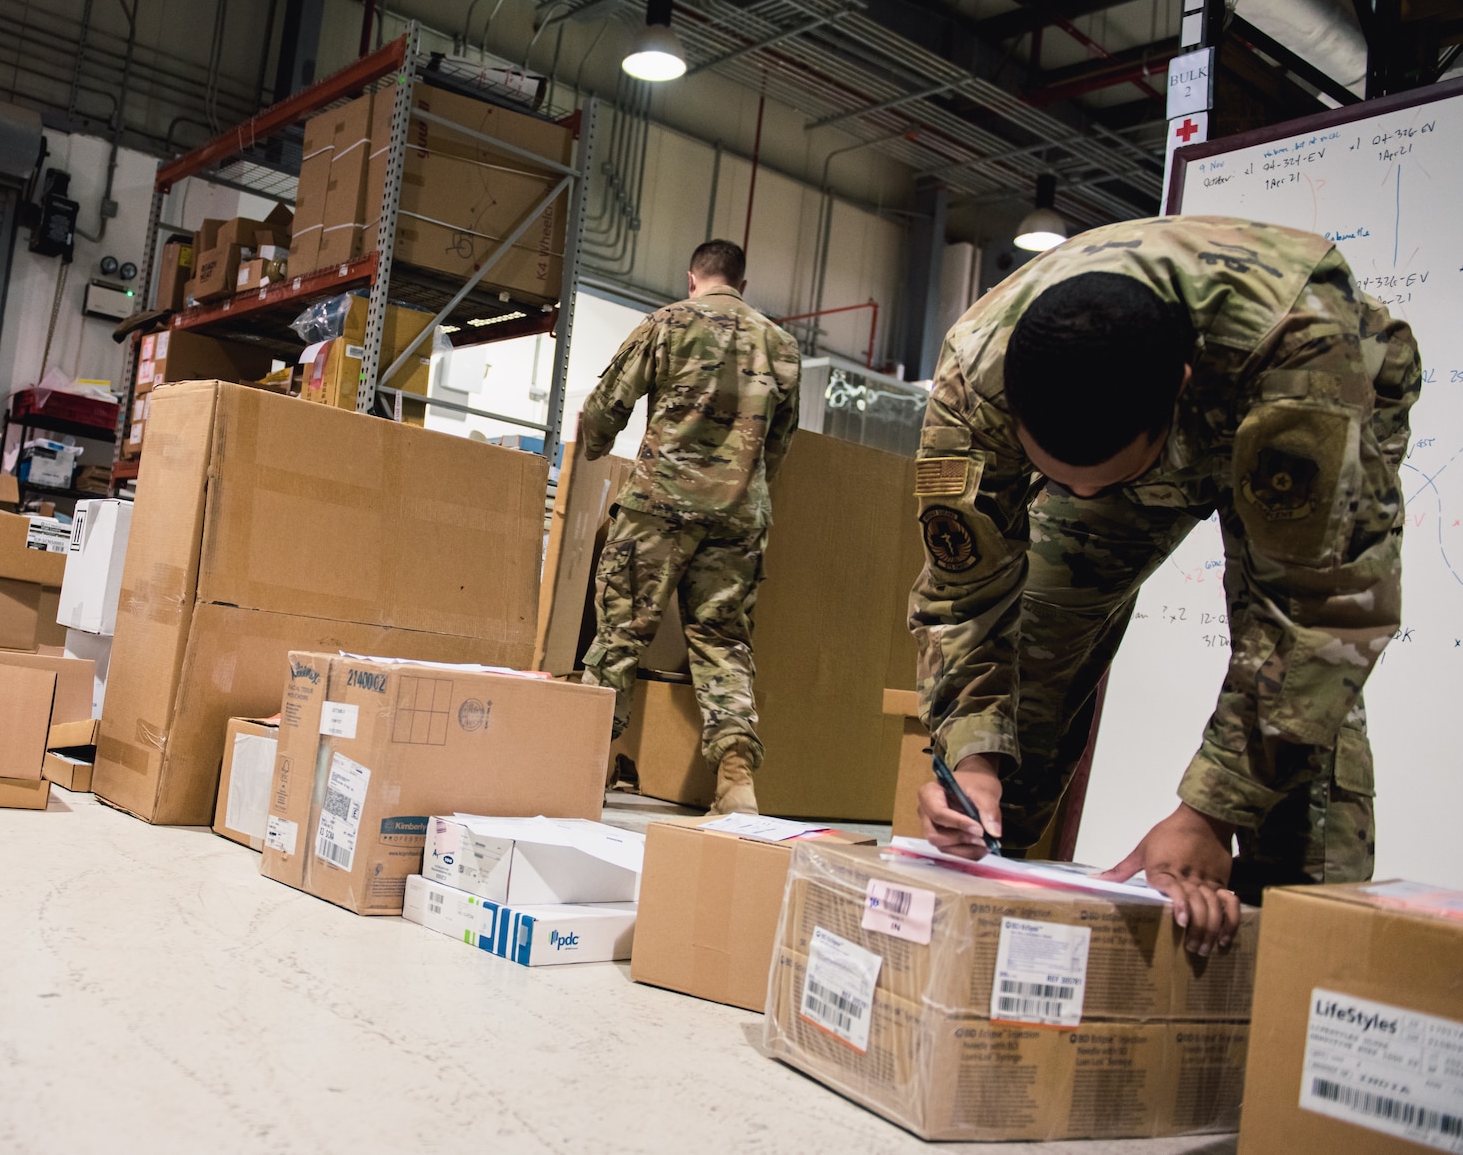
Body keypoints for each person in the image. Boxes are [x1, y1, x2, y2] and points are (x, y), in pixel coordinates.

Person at [910, 214, 1419, 955]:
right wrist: (972, 761)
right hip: (1136, 415)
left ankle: (1300, 948)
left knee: (1302, 694)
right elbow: (964, 595)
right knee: (1032, 653)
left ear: (1179, 397)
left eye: (1097, 482)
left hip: (1291, 397)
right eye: (1058, 482)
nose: (1076, 500)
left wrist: (1209, 812)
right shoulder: (971, 379)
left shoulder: (1304, 351)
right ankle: (986, 883)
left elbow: (1324, 612)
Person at [578, 238, 805, 815]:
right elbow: (778, 444)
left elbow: (608, 402)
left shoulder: (668, 322)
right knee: (723, 641)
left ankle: (576, 767)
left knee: (621, 633)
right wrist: (743, 489)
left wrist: (595, 448)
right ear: (742, 284)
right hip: (738, 517)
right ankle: (735, 782)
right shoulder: (780, 344)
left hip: (658, 506)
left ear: (692, 278)